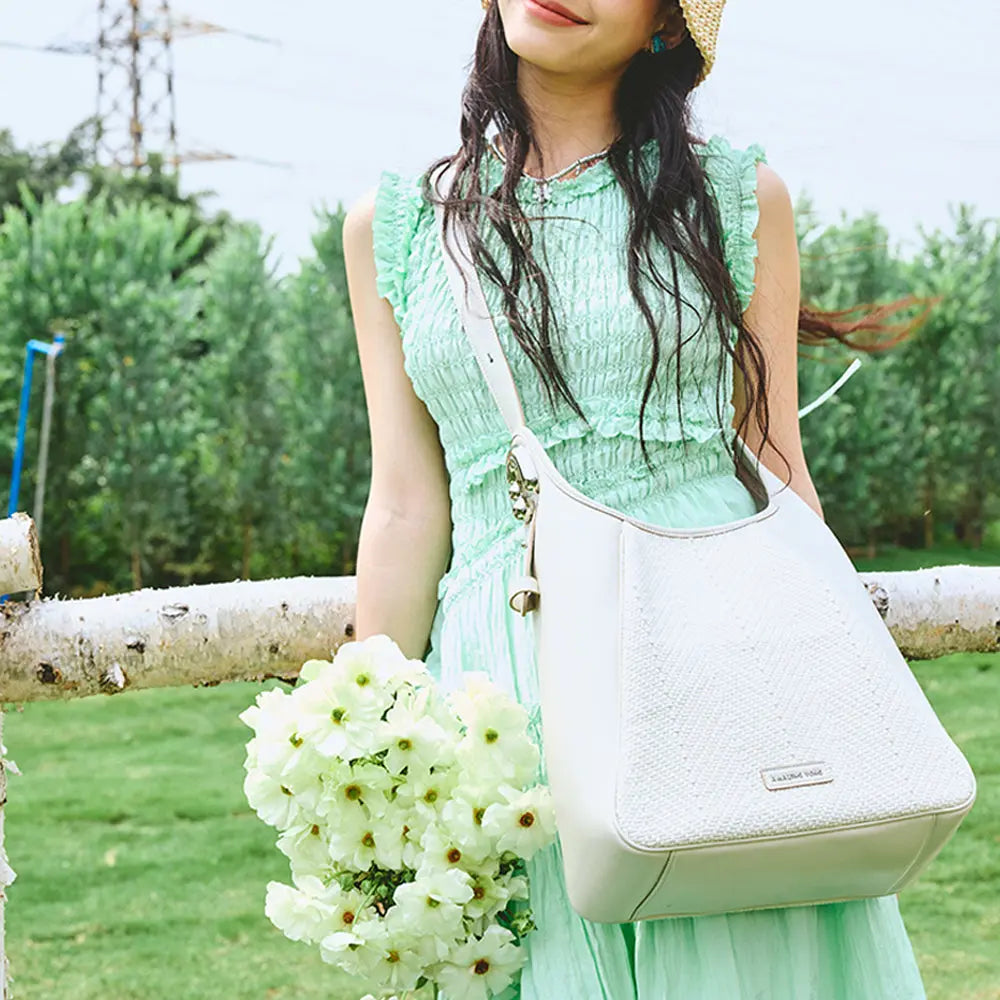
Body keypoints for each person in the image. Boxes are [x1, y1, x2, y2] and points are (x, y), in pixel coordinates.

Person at [342, 0, 929, 996]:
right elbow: (406, 501)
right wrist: (361, 731)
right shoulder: (398, 224)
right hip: (506, 685)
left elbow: (772, 459)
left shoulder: (738, 197)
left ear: (666, 22)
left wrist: (824, 680)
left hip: (711, 656)